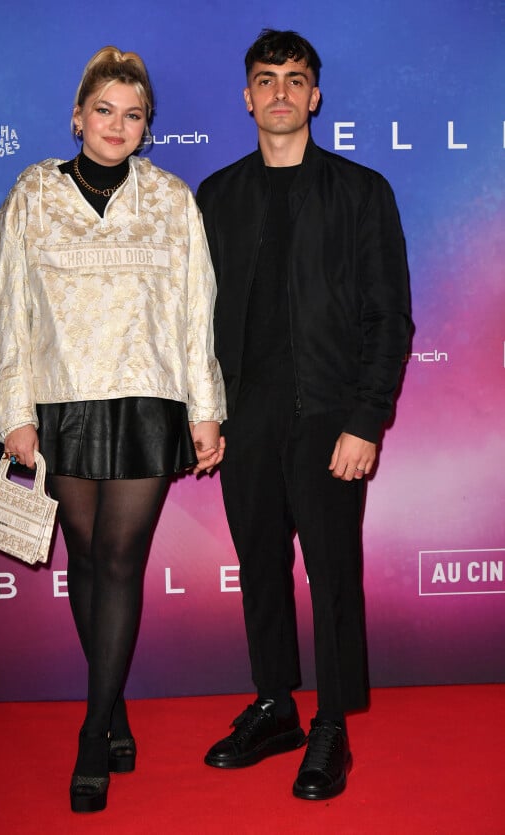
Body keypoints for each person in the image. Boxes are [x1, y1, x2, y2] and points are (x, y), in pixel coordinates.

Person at [0, 45, 226, 813]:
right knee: (84, 557)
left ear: (147, 125)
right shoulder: (32, 194)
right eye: (104, 111)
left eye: (133, 114)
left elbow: (196, 311)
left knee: (120, 558)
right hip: (62, 400)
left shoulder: (171, 198)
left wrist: (205, 406)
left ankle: (93, 732)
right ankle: (112, 701)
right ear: (78, 116)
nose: (117, 125)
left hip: (149, 399)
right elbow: (7, 309)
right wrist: (15, 411)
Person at [196, 29, 411, 800]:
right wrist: (206, 413)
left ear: (315, 96)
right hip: (242, 415)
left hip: (328, 416)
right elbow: (196, 319)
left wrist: (366, 418)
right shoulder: (215, 196)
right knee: (259, 567)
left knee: (331, 574)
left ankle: (330, 725)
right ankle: (276, 703)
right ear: (247, 96)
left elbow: (391, 318)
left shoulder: (361, 193)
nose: (280, 92)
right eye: (266, 79)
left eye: (294, 79)